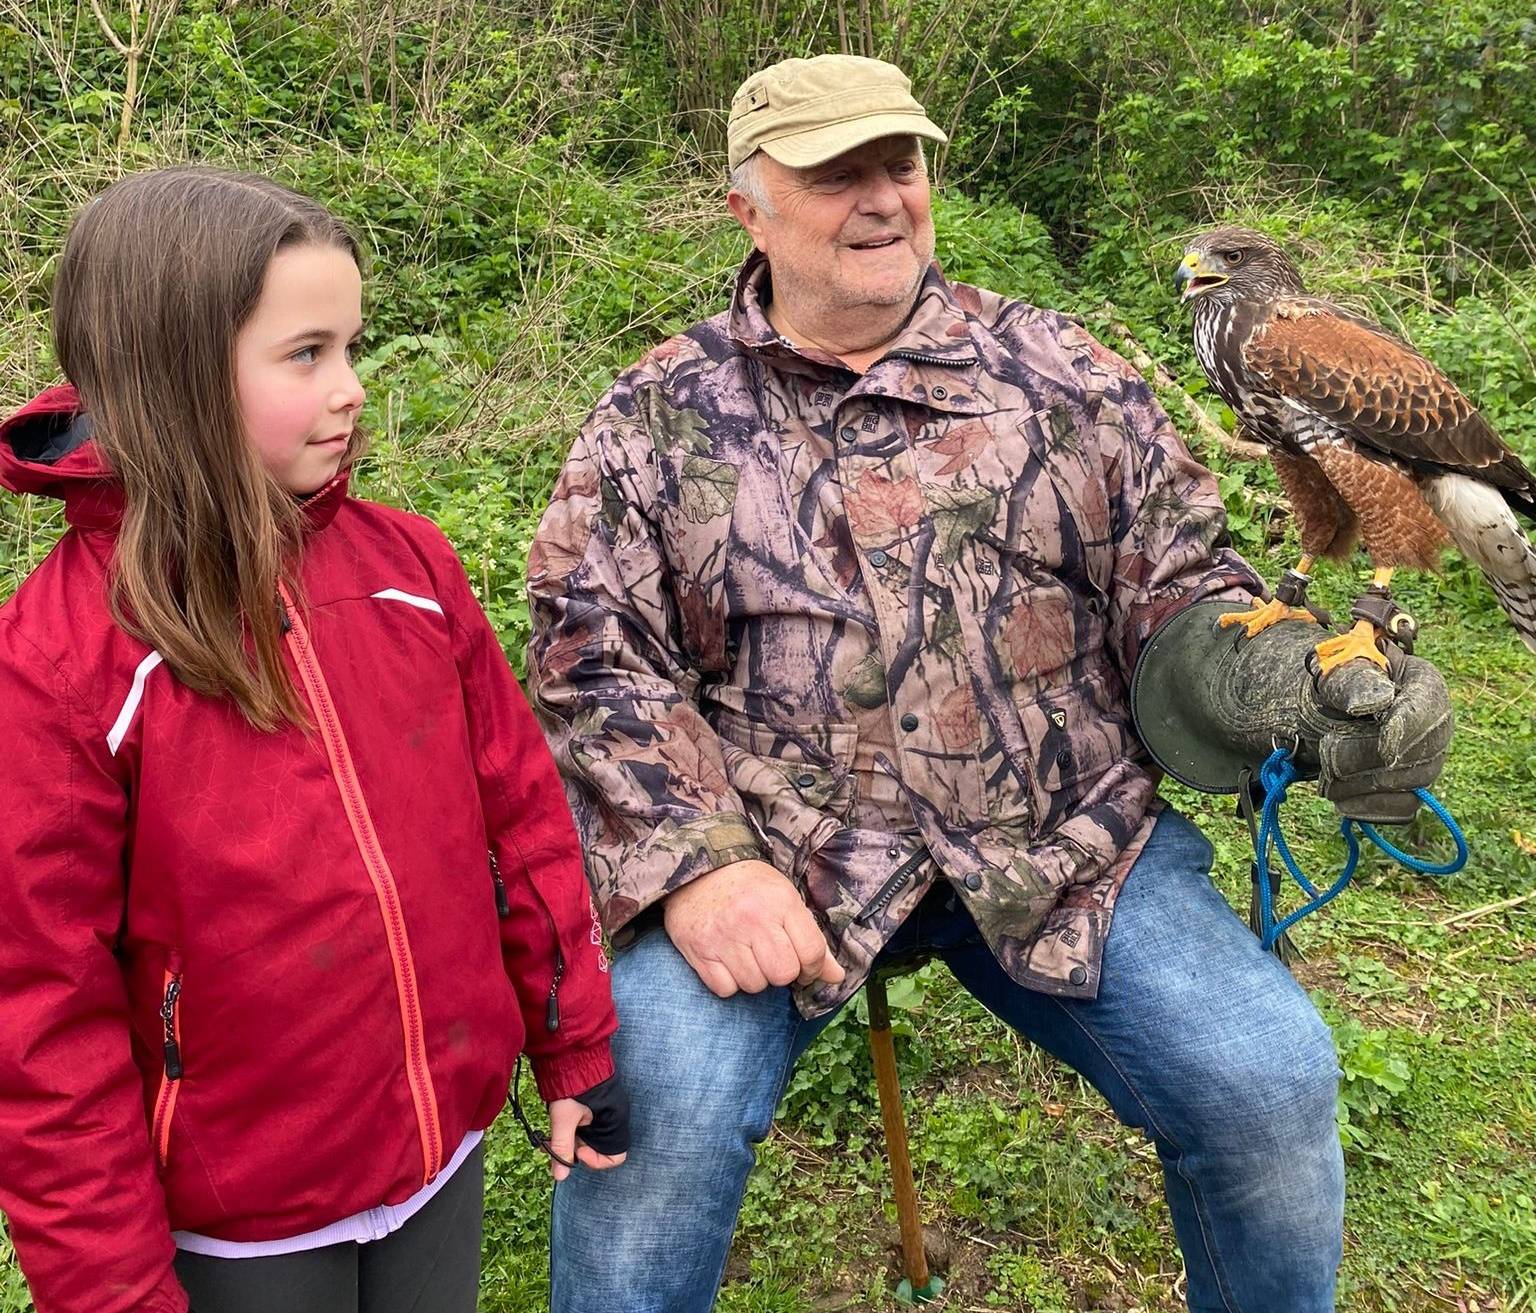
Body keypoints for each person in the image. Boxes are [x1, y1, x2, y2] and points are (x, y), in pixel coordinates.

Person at [526, 54, 1452, 1313]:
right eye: (832, 173)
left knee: (1269, 1080)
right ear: (748, 207)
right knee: (653, 1123)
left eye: (897, 164)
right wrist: (697, 861)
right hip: (782, 860)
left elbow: (1182, 578)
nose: (879, 199)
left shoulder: (1063, 370)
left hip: (1065, 841)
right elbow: (594, 653)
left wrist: (1275, 679)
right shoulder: (658, 414)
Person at [0, 167, 627, 1313]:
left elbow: (519, 815)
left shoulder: (411, 570)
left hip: (438, 1158)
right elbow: (40, 1016)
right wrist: (113, 1291)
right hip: (239, 1227)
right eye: (306, 355)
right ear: (176, 375)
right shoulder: (60, 660)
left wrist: (571, 1042)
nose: (351, 392)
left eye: (353, 346)